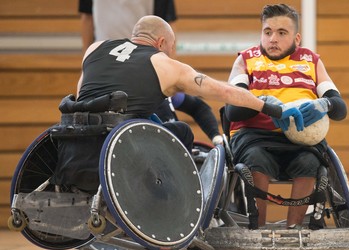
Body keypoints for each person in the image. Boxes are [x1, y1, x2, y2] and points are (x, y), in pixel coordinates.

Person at [77, 15, 304, 150]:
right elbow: (224, 91)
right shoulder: (164, 64)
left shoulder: (95, 48)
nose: (172, 54)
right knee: (181, 131)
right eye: (172, 48)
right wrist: (270, 107)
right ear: (161, 42)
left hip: (81, 137)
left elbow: (82, 97)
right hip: (125, 146)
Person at [226, 4, 347, 229]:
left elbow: (341, 108)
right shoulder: (245, 60)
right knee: (256, 159)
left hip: (301, 140)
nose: (273, 38)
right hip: (255, 137)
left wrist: (325, 103)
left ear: (296, 38)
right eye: (268, 32)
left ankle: (295, 231)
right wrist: (264, 104)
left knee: (311, 162)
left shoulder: (311, 61)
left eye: (282, 33)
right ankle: (257, 230)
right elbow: (233, 110)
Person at [78, 0, 222, 145]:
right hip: (137, 144)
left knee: (181, 131)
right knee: (182, 130)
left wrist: (217, 138)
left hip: (144, 68)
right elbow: (86, 17)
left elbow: (198, 107)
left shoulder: (158, 81)